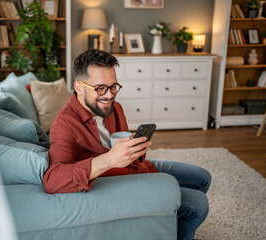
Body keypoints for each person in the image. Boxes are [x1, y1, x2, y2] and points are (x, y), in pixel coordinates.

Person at [43, 49, 211, 240]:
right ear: (79, 87)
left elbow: (128, 155)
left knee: (202, 178)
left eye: (113, 86)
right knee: (198, 205)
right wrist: (108, 160)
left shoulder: (114, 108)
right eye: (100, 88)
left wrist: (136, 149)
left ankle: (165, 222)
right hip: (113, 184)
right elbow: (53, 180)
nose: (109, 95)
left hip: (135, 169)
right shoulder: (64, 124)